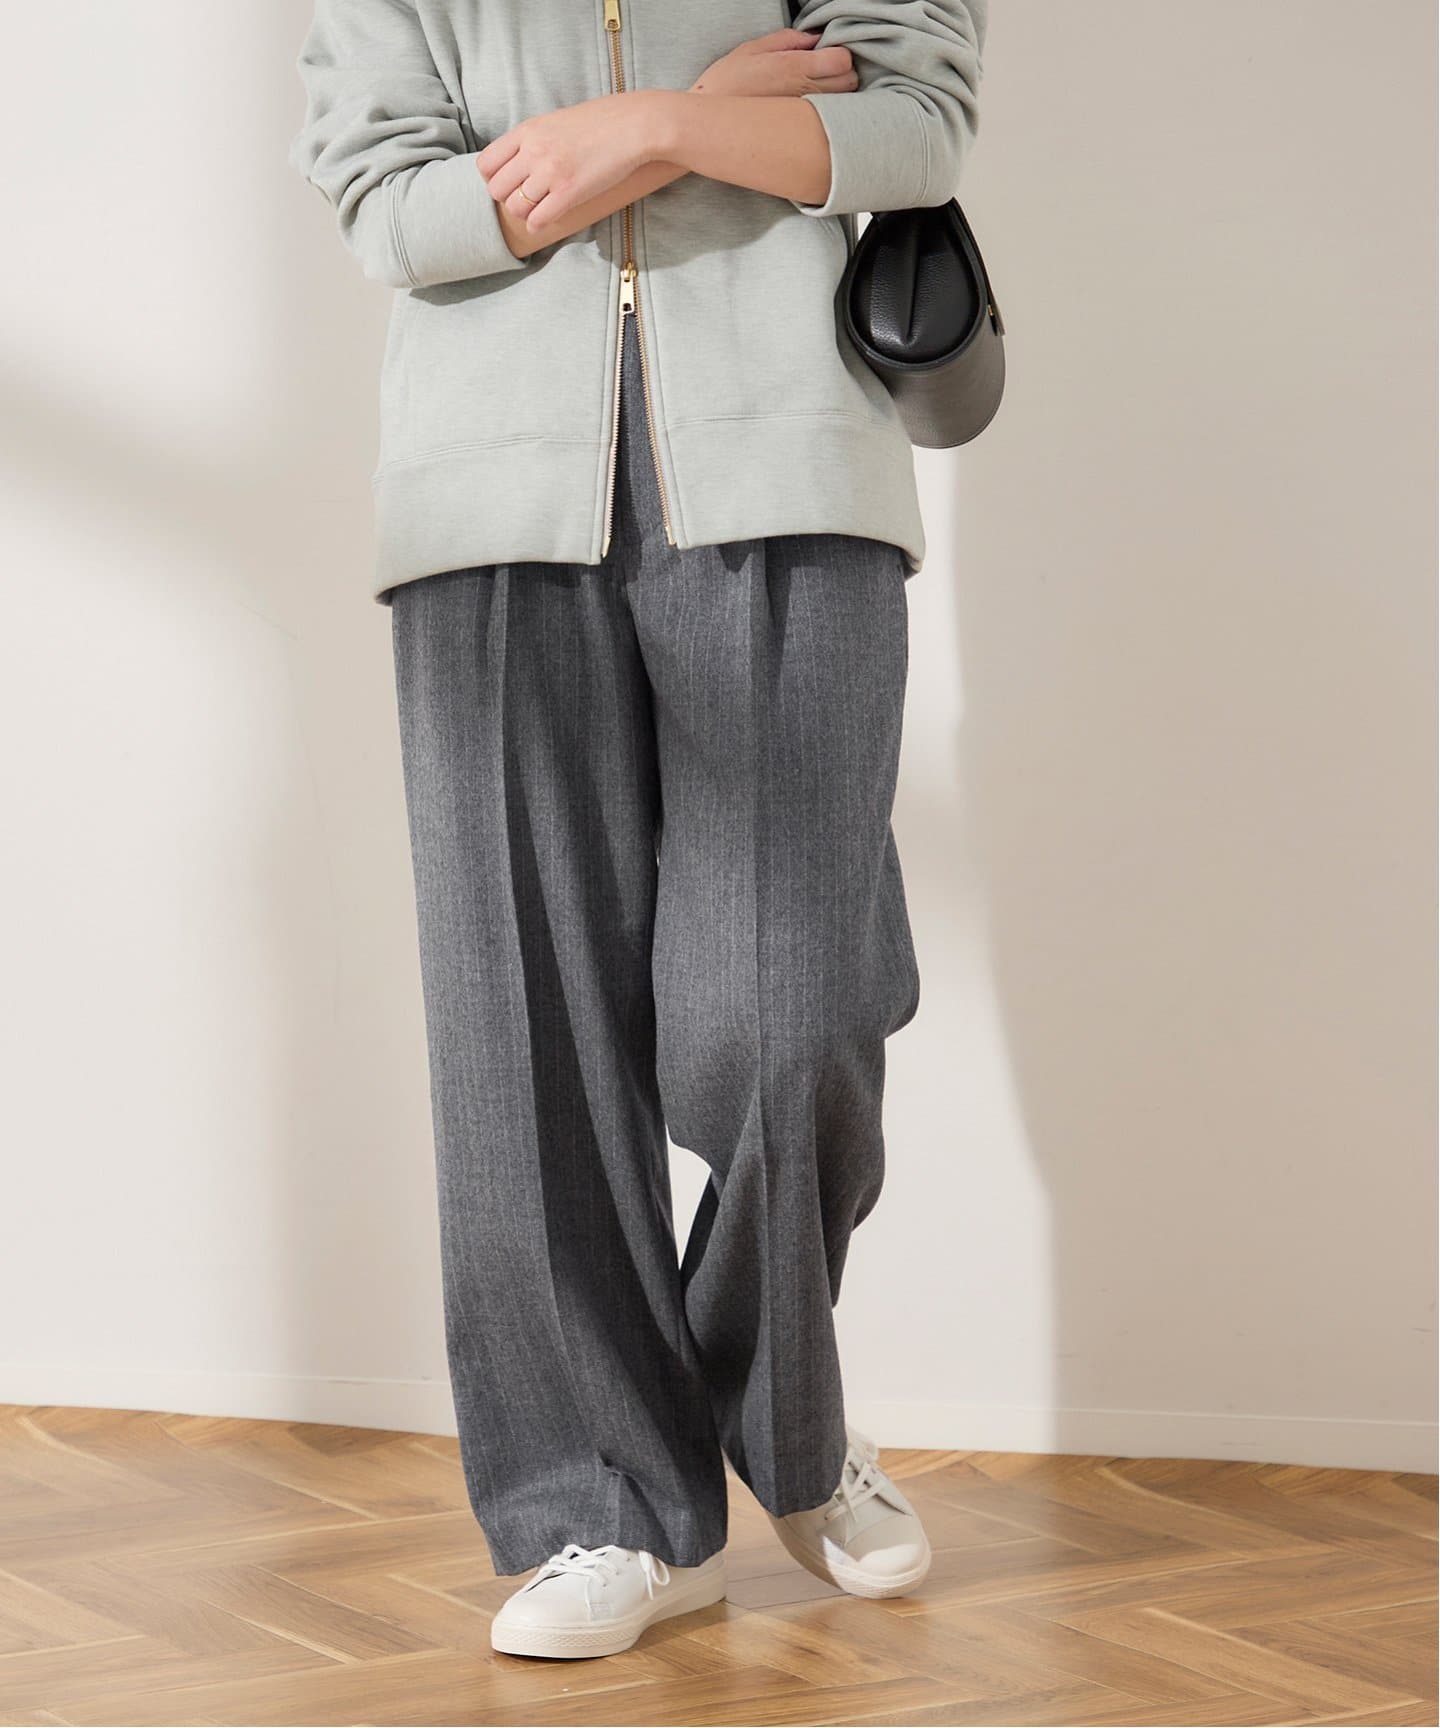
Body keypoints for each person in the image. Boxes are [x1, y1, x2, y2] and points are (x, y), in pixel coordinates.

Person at [291, 0, 987, 1661]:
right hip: (486, 503)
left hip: (794, 480)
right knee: (522, 1027)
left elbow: (913, 124)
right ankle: (599, 1505)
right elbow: (391, 208)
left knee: (793, 1012)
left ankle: (784, 1424)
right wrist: (694, 119)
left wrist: (649, 125)